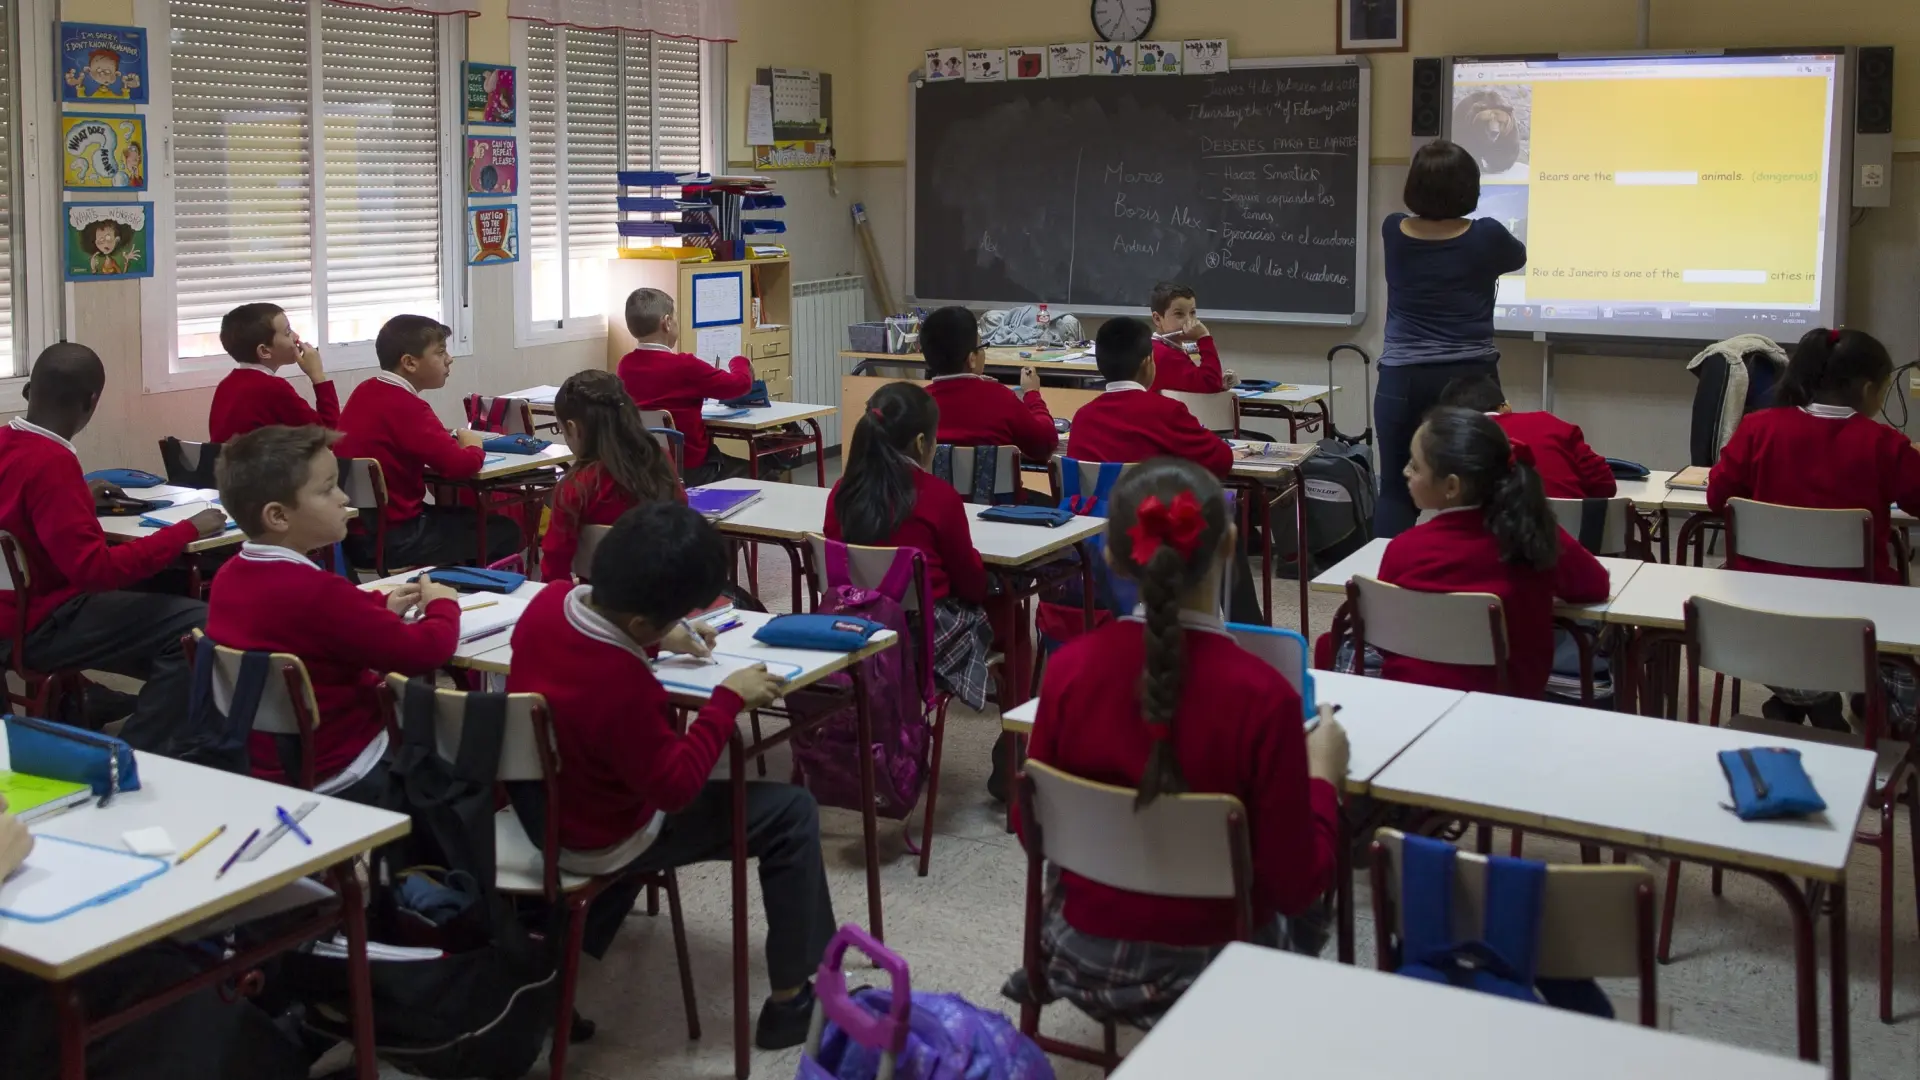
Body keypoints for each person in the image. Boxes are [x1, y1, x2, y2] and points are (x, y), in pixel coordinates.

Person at [1007, 458, 1348, 1028]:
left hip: (1080, 950)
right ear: (1230, 546)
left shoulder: (1068, 674)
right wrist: (1322, 782)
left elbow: (1029, 823)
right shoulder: (1265, 698)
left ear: (1110, 557)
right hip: (1222, 970)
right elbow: (1295, 884)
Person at [505, 503, 832, 1050]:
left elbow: (590, 657)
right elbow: (674, 787)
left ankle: (556, 964)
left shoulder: (546, 605)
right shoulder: (621, 683)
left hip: (540, 808)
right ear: (640, 623)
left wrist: (661, 639)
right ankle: (790, 1002)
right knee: (792, 813)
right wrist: (726, 702)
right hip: (604, 835)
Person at [207, 424, 460, 801]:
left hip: (265, 762)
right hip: (348, 763)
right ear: (278, 516)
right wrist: (443, 605)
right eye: (327, 489)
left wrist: (380, 606)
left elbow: (311, 625)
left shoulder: (228, 577)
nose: (344, 498)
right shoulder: (318, 592)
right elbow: (423, 652)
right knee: (468, 743)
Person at [0, 344, 226, 752]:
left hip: (11, 610)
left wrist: (78, 500)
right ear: (92, 401)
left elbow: (19, 516)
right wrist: (186, 530)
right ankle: (142, 751)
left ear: (28, 391)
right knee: (199, 625)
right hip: (37, 624)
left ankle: (83, 701)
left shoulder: (7, 443)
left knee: (152, 610)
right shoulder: (51, 463)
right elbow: (97, 572)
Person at [1708, 327, 1920, 733]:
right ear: (1869, 389)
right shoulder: (1884, 444)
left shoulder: (1757, 428)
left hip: (1762, 609)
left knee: (1724, 595)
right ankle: (1837, 698)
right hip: (1858, 612)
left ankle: (1800, 698)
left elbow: (1718, 497)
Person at [1370, 406, 1608, 697]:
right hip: (1508, 707)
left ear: (1451, 486)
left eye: (1415, 466)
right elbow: (1596, 585)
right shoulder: (1534, 537)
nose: (1406, 472)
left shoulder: (1403, 549)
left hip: (1410, 704)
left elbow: (1386, 638)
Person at [1375, 139, 1528, 538]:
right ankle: (1478, 568)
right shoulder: (1487, 235)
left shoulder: (1393, 229)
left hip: (1402, 379)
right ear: (1469, 188)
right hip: (1471, 379)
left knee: (1395, 490)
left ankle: (1384, 573)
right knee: (1485, 488)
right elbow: (1518, 257)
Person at [825, 381, 1003, 714]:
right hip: (919, 638)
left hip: (851, 624)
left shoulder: (841, 492)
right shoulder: (939, 496)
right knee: (1004, 598)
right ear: (922, 443)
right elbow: (969, 583)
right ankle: (1015, 720)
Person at [335, 314, 520, 568]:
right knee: (504, 530)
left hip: (355, 535)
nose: (449, 359)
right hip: (394, 539)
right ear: (409, 363)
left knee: (468, 518)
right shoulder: (408, 406)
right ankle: (466, 587)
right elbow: (459, 466)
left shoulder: (365, 391)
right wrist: (473, 444)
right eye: (440, 352)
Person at [540, 370, 685, 581]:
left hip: (601, 598)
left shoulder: (575, 486)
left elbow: (554, 567)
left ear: (573, 428)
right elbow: (681, 515)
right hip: (669, 592)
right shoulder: (659, 459)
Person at [615, 287, 757, 487]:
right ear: (667, 322)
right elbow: (739, 384)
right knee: (761, 469)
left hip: (647, 469)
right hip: (691, 469)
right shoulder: (685, 365)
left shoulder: (624, 366)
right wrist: (740, 361)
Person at [1065, 317, 1232, 478]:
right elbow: (1221, 459)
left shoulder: (1082, 418)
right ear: (1148, 361)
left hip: (1095, 499)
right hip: (1148, 498)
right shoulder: (1167, 412)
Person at [919, 305, 1059, 463]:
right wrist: (1032, 394)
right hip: (996, 481)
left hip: (933, 481)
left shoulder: (918, 405)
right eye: (981, 346)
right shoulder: (1000, 398)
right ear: (972, 359)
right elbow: (1044, 444)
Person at [1438, 374, 1615, 499]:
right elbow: (1605, 484)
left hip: (1496, 538)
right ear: (1506, 407)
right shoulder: (1550, 423)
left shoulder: (1455, 447)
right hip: (1573, 534)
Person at [207, 302, 338, 443]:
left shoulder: (226, 384)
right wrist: (318, 376)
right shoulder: (272, 388)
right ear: (264, 351)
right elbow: (329, 436)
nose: (296, 336)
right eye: (287, 332)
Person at [1146, 282, 1237, 393]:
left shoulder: (1167, 348)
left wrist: (1220, 384)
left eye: (1192, 312)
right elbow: (1210, 384)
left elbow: (1192, 386)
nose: (1189, 320)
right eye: (1179, 314)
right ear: (1157, 319)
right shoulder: (1163, 353)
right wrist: (1204, 337)